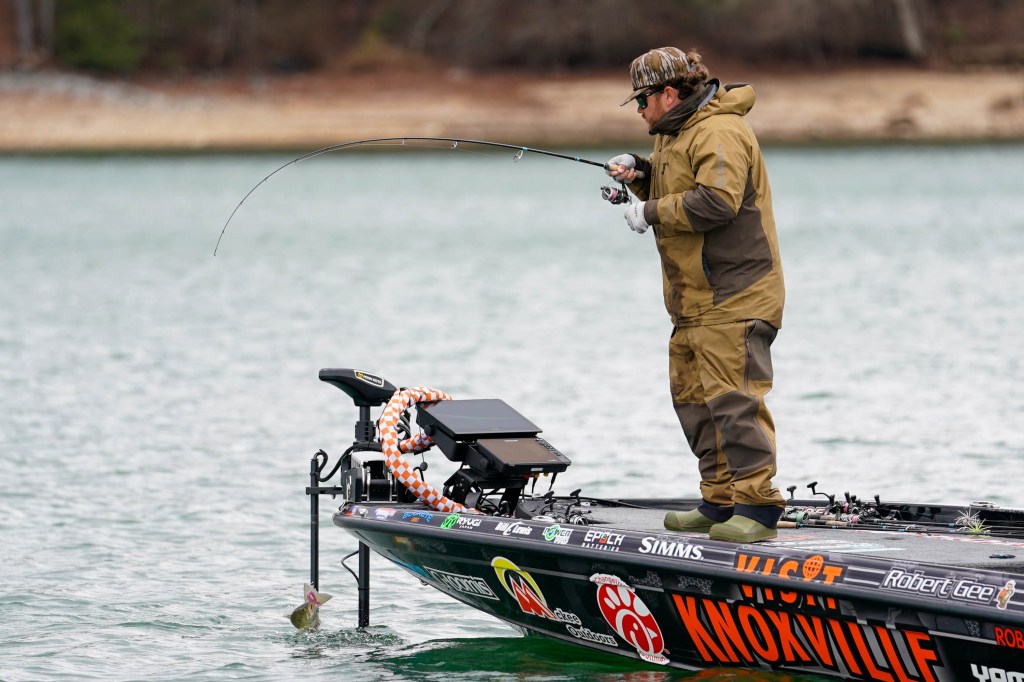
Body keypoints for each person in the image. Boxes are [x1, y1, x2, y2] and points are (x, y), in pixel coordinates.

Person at [607, 47, 785, 543]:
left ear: (668, 93)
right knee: (694, 402)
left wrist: (650, 212)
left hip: (735, 295)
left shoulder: (718, 130)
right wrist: (641, 174)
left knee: (734, 402)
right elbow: (680, 185)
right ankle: (720, 501)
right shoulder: (675, 133)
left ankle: (758, 507)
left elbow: (717, 202)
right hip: (693, 302)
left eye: (641, 99)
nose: (638, 109)